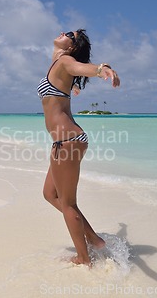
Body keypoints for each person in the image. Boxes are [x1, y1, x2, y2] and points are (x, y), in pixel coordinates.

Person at [37, 29, 120, 266]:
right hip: (66, 140)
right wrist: (72, 88)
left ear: (72, 48)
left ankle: (84, 258)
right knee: (49, 194)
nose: (64, 32)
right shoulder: (57, 64)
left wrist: (102, 70)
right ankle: (94, 239)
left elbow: (80, 68)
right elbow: (69, 79)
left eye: (70, 35)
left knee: (67, 203)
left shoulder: (65, 61)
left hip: (67, 140)